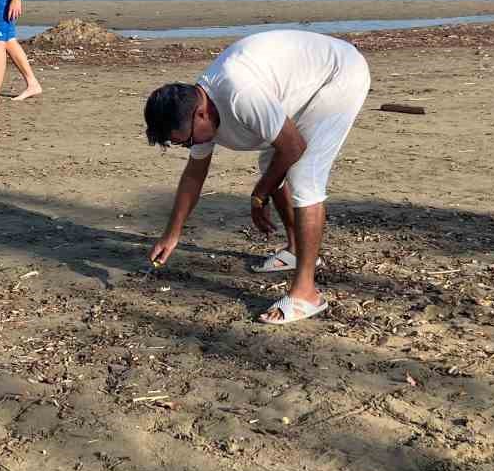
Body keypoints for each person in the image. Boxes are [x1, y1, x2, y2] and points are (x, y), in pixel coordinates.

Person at [144, 30, 371, 325]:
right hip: (300, 80)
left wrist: (260, 194)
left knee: (304, 176)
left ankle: (306, 293)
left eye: (184, 140)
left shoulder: (240, 94)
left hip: (339, 74)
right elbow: (193, 175)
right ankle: (295, 248)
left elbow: (294, 146)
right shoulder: (197, 111)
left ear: (200, 114)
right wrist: (171, 233)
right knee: (271, 158)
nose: (188, 146)